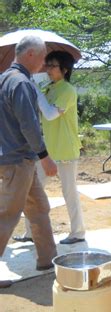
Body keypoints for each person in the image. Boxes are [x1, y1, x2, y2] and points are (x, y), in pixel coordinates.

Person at [0, 36, 58, 288]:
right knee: (7, 215)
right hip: (18, 160)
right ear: (31, 54)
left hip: (15, 157)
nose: (45, 63)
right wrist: (45, 157)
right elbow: (29, 126)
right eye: (43, 57)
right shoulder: (21, 83)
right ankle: (48, 259)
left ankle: (48, 260)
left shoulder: (3, 79)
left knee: (39, 208)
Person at [13, 51, 85, 245]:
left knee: (69, 192)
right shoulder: (50, 88)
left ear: (64, 69)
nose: (48, 70)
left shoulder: (68, 90)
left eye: (52, 66)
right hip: (47, 151)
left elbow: (51, 114)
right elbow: (37, 110)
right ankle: (30, 232)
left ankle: (78, 233)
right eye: (47, 65)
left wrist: (35, 90)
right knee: (32, 190)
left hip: (66, 149)